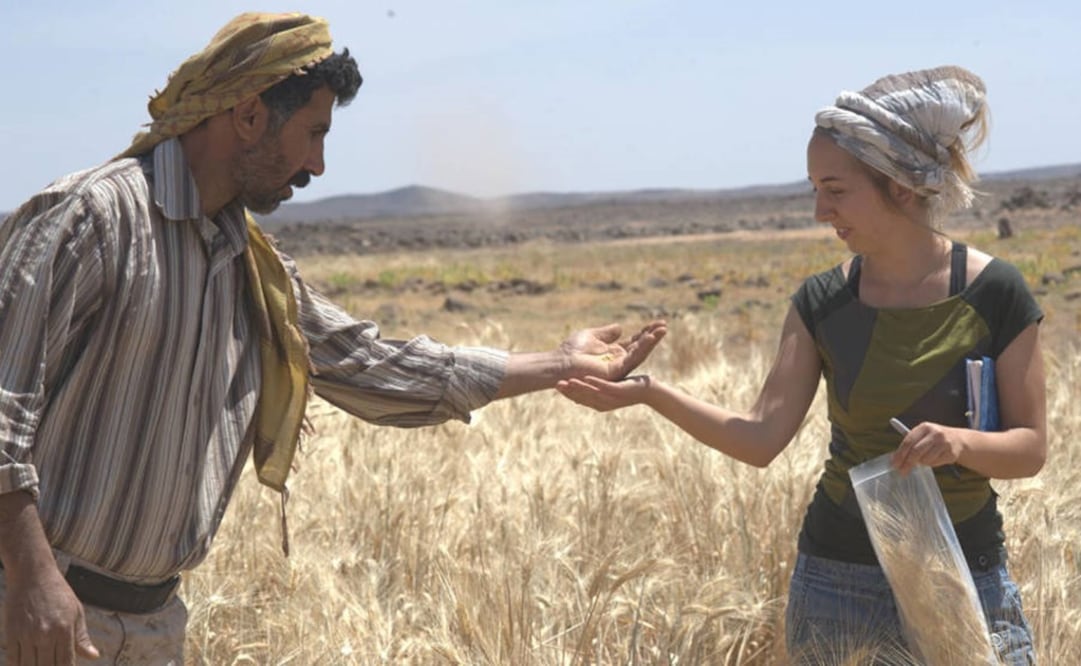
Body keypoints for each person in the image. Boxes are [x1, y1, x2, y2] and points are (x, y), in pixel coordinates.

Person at [0, 12, 667, 665]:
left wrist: (556, 364)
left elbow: (373, 365)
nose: (318, 164)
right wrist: (32, 582)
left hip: (150, 625)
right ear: (250, 116)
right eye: (313, 132)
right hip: (34, 615)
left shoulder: (248, 264)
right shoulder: (92, 219)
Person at [557, 65, 1045, 664]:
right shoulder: (821, 303)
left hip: (967, 576)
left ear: (901, 185)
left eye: (836, 190)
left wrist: (960, 443)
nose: (819, 210)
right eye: (814, 188)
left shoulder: (997, 293)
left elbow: (1030, 449)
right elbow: (761, 437)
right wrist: (649, 392)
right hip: (839, 585)